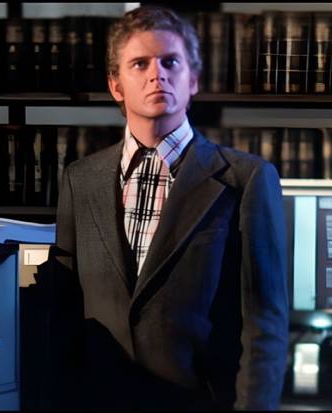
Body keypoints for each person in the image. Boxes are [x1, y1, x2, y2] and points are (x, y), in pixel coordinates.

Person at [51, 5, 289, 410]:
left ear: (192, 79)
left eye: (170, 62)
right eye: (139, 63)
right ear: (116, 86)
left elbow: (265, 325)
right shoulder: (81, 180)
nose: (156, 74)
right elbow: (64, 314)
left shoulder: (245, 179)